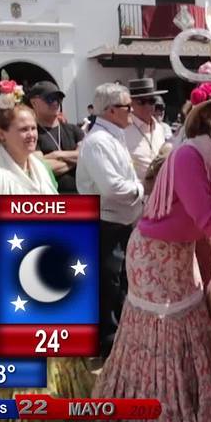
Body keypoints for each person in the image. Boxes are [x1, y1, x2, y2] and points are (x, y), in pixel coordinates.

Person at [93, 80, 211, 422]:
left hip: (179, 252)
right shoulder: (190, 156)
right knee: (161, 332)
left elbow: (207, 225)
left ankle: (194, 413)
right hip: (154, 255)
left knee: (190, 326)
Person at [0, 91, 93, 422]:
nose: (31, 135)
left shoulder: (42, 171)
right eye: (22, 129)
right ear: (1, 133)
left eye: (33, 128)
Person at [76, 82, 144, 358]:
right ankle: (109, 341)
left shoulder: (113, 137)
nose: (133, 112)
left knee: (120, 281)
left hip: (120, 222)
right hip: (106, 223)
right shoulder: (99, 142)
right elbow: (113, 188)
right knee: (110, 283)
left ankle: (118, 339)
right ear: (112, 110)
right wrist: (142, 189)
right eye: (129, 107)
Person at [28, 80, 84, 194]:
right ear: (34, 103)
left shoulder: (74, 130)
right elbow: (39, 168)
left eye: (58, 98)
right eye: (49, 98)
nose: (55, 102)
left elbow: (87, 156)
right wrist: (76, 159)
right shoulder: (32, 134)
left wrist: (56, 155)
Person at [123, 78, 169, 181]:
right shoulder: (124, 131)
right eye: (142, 102)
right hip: (137, 194)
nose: (148, 106)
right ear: (130, 104)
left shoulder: (159, 129)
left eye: (152, 101)